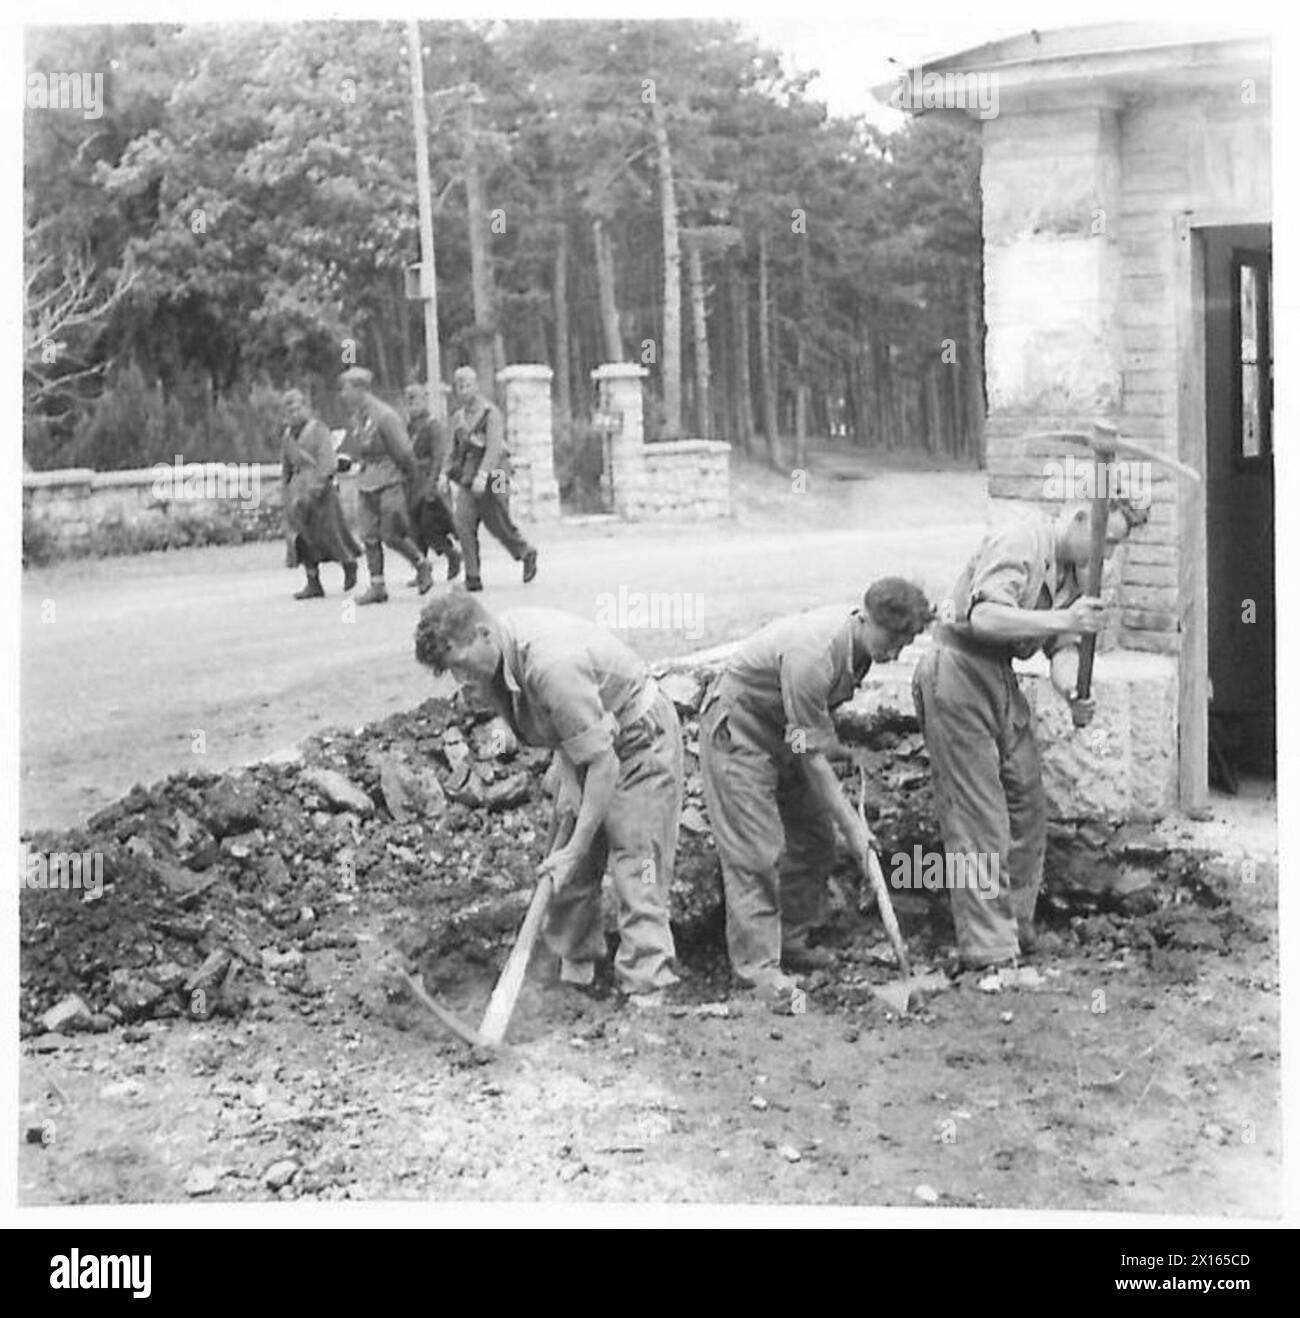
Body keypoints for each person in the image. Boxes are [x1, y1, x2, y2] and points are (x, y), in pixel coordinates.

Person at [911, 498, 1146, 973]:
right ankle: (987, 951)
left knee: (1026, 804)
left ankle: (1015, 926)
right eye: (1109, 543)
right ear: (1082, 518)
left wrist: (1072, 690)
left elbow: (1061, 649)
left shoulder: (1074, 572)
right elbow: (985, 618)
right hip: (956, 670)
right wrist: (1066, 619)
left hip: (999, 677)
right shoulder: (1022, 537)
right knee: (980, 816)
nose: (1108, 558)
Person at [414, 595, 682, 1007]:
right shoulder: (498, 657)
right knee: (566, 869)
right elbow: (563, 727)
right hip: (589, 744)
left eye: (463, 665)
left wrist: (576, 846)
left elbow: (604, 764)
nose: (461, 679)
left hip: (638, 741)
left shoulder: (551, 662)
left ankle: (648, 990)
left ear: (484, 635)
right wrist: (570, 790)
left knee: (638, 861)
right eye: (451, 671)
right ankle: (576, 978)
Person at [699, 580, 933, 1001]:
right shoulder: (814, 655)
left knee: (814, 838)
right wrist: (856, 832)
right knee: (757, 850)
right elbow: (810, 756)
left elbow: (810, 738)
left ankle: (789, 939)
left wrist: (836, 749)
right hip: (740, 734)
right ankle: (757, 971)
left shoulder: (857, 650)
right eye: (892, 637)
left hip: (785, 736)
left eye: (907, 641)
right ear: (865, 618)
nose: (897, 651)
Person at [438, 365, 538, 592]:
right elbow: (451, 450)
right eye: (459, 386)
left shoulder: (491, 413)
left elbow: (494, 448)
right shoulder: (458, 418)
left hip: (497, 473)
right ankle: (472, 575)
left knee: (498, 520)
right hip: (468, 474)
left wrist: (484, 475)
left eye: (468, 385)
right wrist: (444, 473)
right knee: (463, 522)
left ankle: (525, 552)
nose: (464, 390)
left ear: (476, 386)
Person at [338, 366, 431, 605]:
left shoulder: (385, 416)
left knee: (391, 534)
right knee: (368, 534)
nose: (343, 394)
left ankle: (421, 564)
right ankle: (377, 586)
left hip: (390, 479)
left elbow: (404, 452)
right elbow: (358, 448)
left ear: (360, 389)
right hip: (367, 479)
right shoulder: (358, 417)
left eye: (346, 389)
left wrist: (413, 482)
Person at [279, 388, 360, 598]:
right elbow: (286, 468)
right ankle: (313, 581)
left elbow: (328, 462)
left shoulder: (318, 430)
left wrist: (316, 489)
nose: (294, 414)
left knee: (330, 535)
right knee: (301, 539)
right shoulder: (287, 437)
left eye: (298, 409)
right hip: (297, 491)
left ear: (306, 408)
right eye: (289, 411)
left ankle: (348, 563)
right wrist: (286, 493)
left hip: (320, 491)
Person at [403, 382, 461, 585]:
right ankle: (422, 569)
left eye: (416, 400)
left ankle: (451, 554)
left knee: (431, 527)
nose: (412, 405)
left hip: (429, 482)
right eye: (408, 401)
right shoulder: (409, 427)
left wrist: (433, 482)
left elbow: (439, 456)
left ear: (424, 401)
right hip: (412, 483)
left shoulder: (433, 425)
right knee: (414, 528)